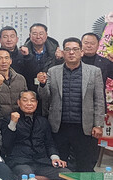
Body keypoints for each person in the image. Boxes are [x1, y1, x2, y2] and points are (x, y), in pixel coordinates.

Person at [37, 37, 104, 172]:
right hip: (59, 126)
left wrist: (98, 124)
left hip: (84, 126)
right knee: (60, 165)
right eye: (67, 49)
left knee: (85, 165)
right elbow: (45, 97)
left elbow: (99, 99)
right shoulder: (53, 71)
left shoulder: (94, 71)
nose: (71, 52)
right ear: (63, 52)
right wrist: (42, 84)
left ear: (81, 52)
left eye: (75, 49)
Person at [2, 91, 67, 180]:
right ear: (19, 102)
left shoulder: (43, 121)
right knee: (26, 175)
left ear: (36, 103)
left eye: (32, 101)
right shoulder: (9, 119)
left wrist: (55, 157)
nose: (29, 103)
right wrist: (13, 123)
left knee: (66, 174)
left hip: (42, 162)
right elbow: (6, 144)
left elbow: (50, 143)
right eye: (25, 100)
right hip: (20, 162)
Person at [0, 26, 38, 91]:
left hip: (21, 91)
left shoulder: (24, 55)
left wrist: (27, 57)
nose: (9, 40)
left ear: (17, 39)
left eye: (12, 36)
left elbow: (33, 74)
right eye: (5, 37)